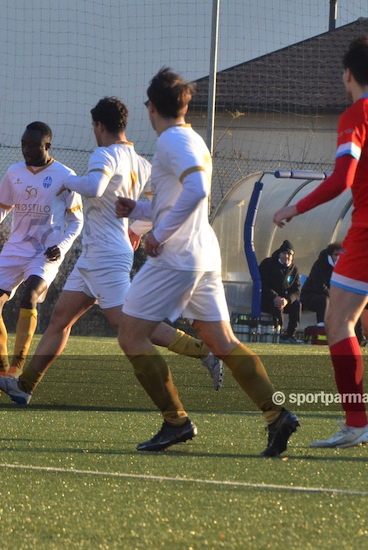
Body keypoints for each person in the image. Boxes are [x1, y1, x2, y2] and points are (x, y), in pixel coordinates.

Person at [113, 68, 298, 457]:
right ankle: (276, 414)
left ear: (151, 107)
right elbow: (179, 197)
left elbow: (196, 191)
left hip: (176, 257)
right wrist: (141, 208)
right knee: (222, 341)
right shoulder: (192, 138)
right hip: (203, 254)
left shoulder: (170, 142)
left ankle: (176, 422)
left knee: (131, 335)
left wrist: (157, 236)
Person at [0, 97, 222, 406]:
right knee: (60, 319)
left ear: (99, 126)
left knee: (131, 326)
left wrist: (68, 181)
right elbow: (155, 207)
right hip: (97, 253)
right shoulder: (141, 163)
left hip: (106, 257)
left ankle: (203, 351)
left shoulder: (104, 153)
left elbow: (96, 187)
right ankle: (24, 386)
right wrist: (135, 231)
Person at [273, 36, 368, 449]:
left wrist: (293, 209)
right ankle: (356, 422)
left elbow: (341, 180)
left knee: (338, 322)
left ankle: (356, 424)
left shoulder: (360, 113)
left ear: (347, 74)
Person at [0, 122, 83, 377]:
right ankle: (1, 371)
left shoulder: (66, 176)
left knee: (28, 296)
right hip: (15, 248)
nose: (26, 150)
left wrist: (61, 247)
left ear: (47, 146)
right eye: (24, 144)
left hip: (45, 252)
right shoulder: (14, 173)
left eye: (33, 145)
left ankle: (16, 367)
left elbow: (77, 221)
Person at [258, 240, 302, 342]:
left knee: (297, 305)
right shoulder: (268, 264)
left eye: (289, 254)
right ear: (279, 253)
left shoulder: (294, 269)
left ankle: (291, 335)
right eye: (284, 253)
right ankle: (278, 334)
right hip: (268, 300)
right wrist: (274, 297)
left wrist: (287, 300)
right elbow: (261, 284)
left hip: (284, 301)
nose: (286, 256)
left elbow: (297, 290)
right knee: (277, 306)